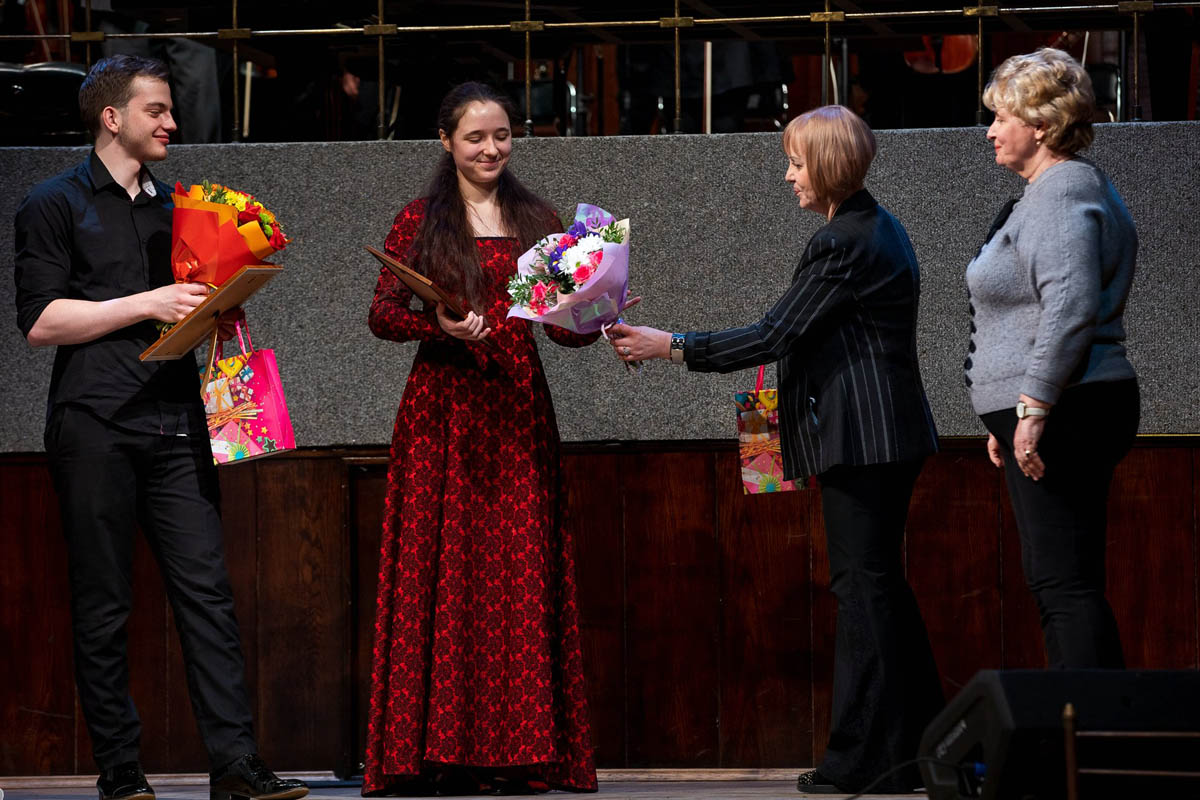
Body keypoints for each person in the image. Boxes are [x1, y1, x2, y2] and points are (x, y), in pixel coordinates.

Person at [607, 105, 944, 795]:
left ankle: (864, 761)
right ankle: (914, 748)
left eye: (795, 163)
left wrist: (670, 345)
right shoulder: (872, 227)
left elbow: (773, 335)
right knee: (879, 589)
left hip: (867, 439)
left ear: (826, 165)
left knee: (864, 592)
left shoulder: (842, 241)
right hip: (883, 435)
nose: (789, 176)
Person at [13, 55, 306, 800]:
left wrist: (224, 299)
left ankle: (235, 764)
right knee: (104, 601)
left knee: (207, 592)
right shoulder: (53, 203)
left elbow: (192, 301)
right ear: (112, 118)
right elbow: (41, 322)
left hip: (176, 419)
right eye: (157, 110)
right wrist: (148, 302)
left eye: (171, 110)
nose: (172, 123)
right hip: (95, 422)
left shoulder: (182, 207)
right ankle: (120, 769)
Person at [363, 82, 600, 796]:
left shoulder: (538, 219)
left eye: (501, 135)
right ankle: (437, 754)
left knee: (519, 579)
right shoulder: (422, 218)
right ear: (446, 141)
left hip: (517, 409)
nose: (492, 148)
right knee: (445, 577)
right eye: (475, 137)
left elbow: (561, 331)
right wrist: (436, 325)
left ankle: (520, 752)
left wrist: (594, 310)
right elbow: (382, 314)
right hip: (444, 413)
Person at [966, 48, 1139, 669]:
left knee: (1063, 585)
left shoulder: (1062, 192)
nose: (991, 131)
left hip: (1070, 406)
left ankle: (1089, 726)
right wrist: (1009, 409)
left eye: (1002, 118)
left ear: (1040, 125)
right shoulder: (1049, 192)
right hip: (1058, 405)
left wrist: (1034, 404)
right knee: (1060, 581)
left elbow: (1068, 305)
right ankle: (1088, 721)